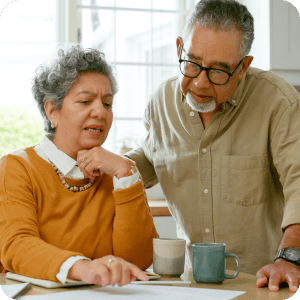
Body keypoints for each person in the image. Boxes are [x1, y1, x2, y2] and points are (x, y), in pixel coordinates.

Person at [126, 0, 300, 292]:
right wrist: (111, 166)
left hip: (267, 281)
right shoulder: (161, 103)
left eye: (218, 71)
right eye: (192, 63)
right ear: (180, 47)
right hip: (195, 283)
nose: (201, 84)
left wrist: (290, 258)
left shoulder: (278, 103)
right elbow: (152, 155)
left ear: (243, 66)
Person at [0, 44, 158, 287]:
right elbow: (17, 246)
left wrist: (126, 174)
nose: (100, 112)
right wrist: (83, 268)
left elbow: (137, 261)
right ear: (52, 110)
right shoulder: (17, 167)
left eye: (107, 104)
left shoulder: (116, 172)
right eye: (85, 101)